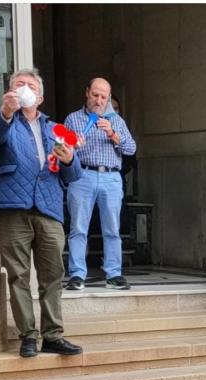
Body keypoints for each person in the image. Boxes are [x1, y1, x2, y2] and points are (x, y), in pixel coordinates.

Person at [0, 68, 83, 359]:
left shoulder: (56, 129)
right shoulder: (0, 119)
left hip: (49, 207)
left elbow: (73, 174)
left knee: (52, 275)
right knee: (18, 275)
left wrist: (70, 158)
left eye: (30, 86)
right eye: (18, 85)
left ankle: (53, 335)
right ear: (10, 92)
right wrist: (6, 111)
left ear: (40, 96)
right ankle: (28, 335)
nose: (25, 89)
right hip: (12, 207)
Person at [63, 77, 137, 291]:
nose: (99, 100)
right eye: (95, 95)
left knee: (112, 229)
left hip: (111, 177)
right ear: (87, 93)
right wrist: (72, 145)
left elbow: (131, 148)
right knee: (78, 227)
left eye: (104, 97)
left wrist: (113, 134)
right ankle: (77, 275)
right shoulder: (73, 119)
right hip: (82, 175)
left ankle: (114, 275)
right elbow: (61, 151)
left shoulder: (117, 121)